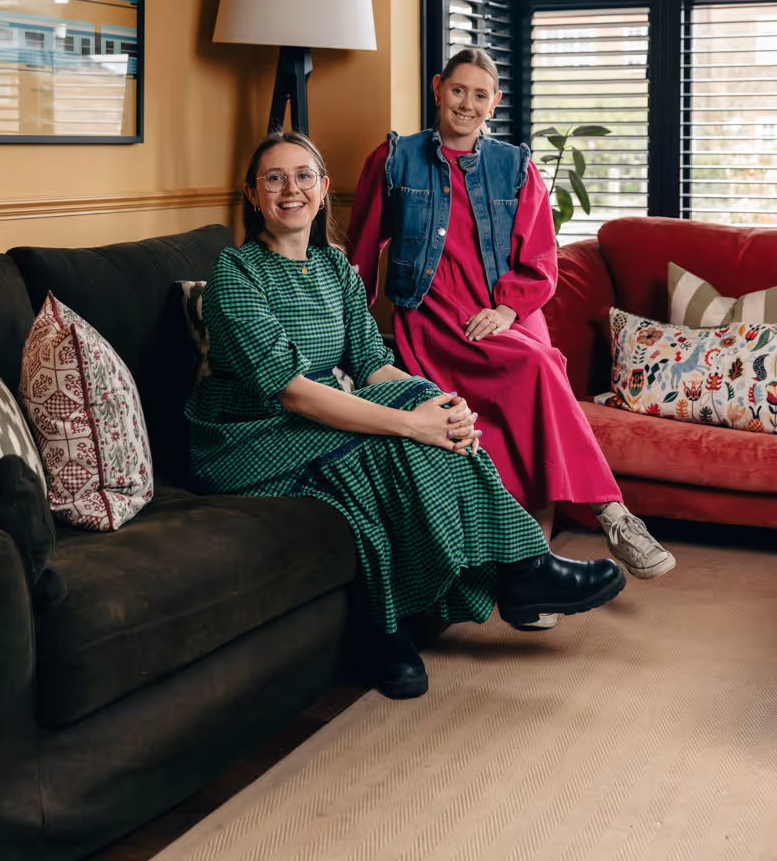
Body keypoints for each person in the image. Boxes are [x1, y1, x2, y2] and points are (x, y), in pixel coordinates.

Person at [186, 130, 626, 700]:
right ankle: (426, 612)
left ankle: (497, 583)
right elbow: (291, 392)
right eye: (274, 178)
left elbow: (372, 364)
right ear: (252, 194)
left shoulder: (336, 268)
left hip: (316, 422)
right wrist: (411, 423)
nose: (290, 189)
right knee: (385, 447)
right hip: (249, 435)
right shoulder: (235, 273)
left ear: (323, 188)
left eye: (303, 176)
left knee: (427, 407)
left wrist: (440, 405)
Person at [348, 48, 675, 632]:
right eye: (457, 90)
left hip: (502, 314)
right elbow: (362, 251)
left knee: (536, 370)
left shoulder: (515, 167)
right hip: (432, 318)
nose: (466, 104)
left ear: (495, 102)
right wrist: (356, 335)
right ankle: (585, 528)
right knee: (518, 390)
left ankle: (578, 536)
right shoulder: (395, 158)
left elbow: (542, 263)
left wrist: (505, 310)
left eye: (480, 95)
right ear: (437, 88)